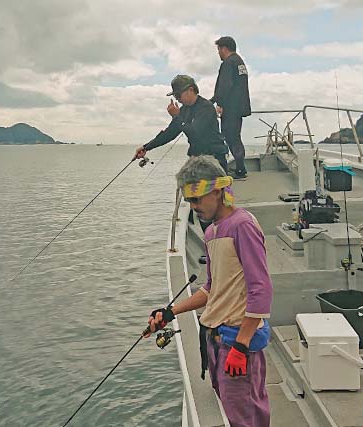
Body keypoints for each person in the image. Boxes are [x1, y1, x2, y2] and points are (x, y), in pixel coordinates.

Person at [146, 155, 272, 427]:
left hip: (238, 341)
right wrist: (170, 312)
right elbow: (212, 288)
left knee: (244, 416)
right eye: (189, 201)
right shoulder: (213, 232)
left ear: (217, 192)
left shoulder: (243, 225)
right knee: (228, 408)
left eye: (197, 199)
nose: (193, 207)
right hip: (218, 339)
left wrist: (241, 344)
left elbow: (260, 289)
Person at [134, 75, 229, 172]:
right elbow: (169, 133)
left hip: (215, 157)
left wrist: (176, 117)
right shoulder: (184, 110)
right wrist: (146, 147)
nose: (177, 99)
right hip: (197, 159)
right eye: (175, 96)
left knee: (218, 187)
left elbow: (195, 134)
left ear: (191, 90)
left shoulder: (206, 107)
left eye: (178, 95)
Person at [210, 36, 252, 179]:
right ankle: (240, 168)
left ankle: (240, 170)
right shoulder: (239, 62)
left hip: (230, 106)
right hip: (239, 106)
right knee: (235, 137)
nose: (218, 53)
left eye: (218, 50)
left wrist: (219, 103)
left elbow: (225, 85)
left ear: (223, 48)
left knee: (230, 137)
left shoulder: (228, 63)